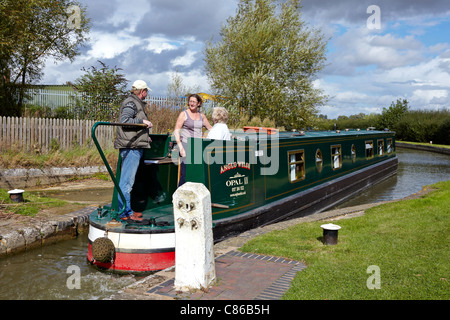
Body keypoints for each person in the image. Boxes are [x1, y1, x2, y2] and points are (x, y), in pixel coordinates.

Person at [114, 80, 153, 221]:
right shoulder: (131, 103)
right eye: (146, 91)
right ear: (142, 91)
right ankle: (125, 213)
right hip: (131, 148)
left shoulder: (135, 103)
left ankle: (127, 210)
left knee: (127, 182)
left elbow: (132, 126)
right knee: (126, 183)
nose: (147, 94)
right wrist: (143, 122)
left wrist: (145, 137)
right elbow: (125, 121)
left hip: (134, 145)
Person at [174, 93, 212, 186]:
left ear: (198, 103)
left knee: (196, 174)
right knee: (185, 175)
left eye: (194, 102)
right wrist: (181, 147)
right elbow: (176, 131)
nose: (191, 103)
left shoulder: (201, 115)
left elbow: (210, 128)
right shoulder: (184, 114)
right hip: (186, 145)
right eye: (190, 101)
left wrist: (224, 131)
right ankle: (179, 197)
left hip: (198, 147)